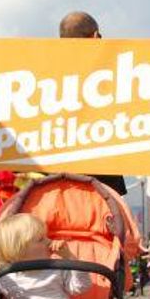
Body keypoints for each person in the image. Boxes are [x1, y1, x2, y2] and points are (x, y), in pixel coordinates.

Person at [58, 11, 129, 198]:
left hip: (52, 186)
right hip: (101, 187)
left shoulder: (39, 75)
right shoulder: (115, 76)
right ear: (96, 36)